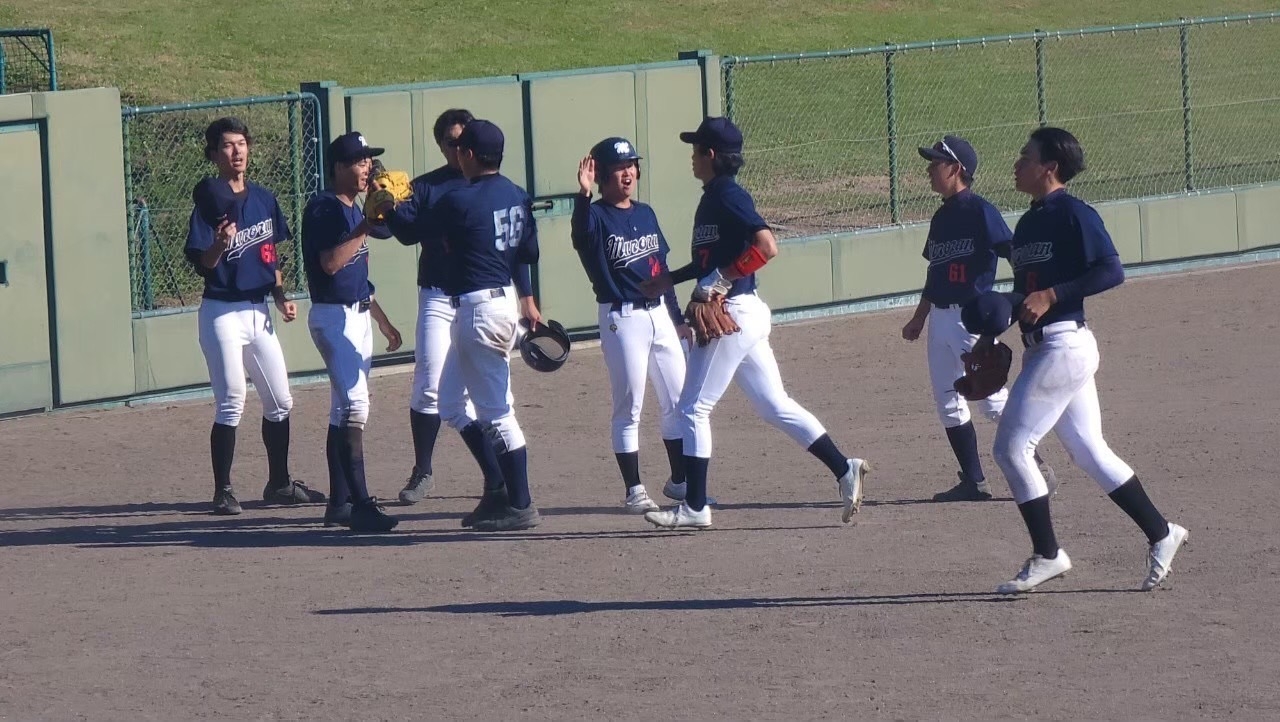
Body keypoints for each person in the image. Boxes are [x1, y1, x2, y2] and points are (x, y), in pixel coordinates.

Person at [979, 126, 1188, 593]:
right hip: (1043, 347)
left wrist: (1054, 294)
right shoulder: (1027, 223)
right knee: (1090, 450)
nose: (1017, 163)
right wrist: (988, 335)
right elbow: (1026, 295)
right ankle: (1162, 532)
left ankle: (1048, 554)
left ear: (1049, 167)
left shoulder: (1075, 214)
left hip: (1064, 346)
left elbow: (1111, 270)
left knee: (1011, 449)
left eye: (1026, 156)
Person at [639, 116, 870, 530]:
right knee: (773, 404)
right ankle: (844, 467)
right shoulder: (714, 197)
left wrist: (721, 278)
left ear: (711, 155)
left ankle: (694, 507)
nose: (692, 157)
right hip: (744, 312)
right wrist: (671, 279)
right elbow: (711, 260)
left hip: (733, 313)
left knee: (693, 409)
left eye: (696, 150)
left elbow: (766, 246)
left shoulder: (728, 195)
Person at [901, 135, 1056, 502]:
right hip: (940, 320)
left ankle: (1037, 468)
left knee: (991, 398)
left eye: (936, 163)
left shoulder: (981, 210)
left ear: (956, 169)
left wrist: (1024, 296)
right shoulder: (941, 216)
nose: (929, 169)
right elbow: (935, 274)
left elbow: (1013, 254)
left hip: (972, 318)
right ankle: (974, 481)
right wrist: (919, 317)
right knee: (947, 400)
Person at [185, 117, 324, 515]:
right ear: (214, 154)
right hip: (221, 313)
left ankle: (279, 483)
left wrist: (280, 295)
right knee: (232, 400)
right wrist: (219, 243)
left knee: (280, 400)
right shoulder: (209, 202)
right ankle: (223, 491)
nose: (237, 151)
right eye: (228, 145)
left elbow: (269, 254)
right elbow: (204, 264)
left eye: (242, 143)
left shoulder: (263, 198)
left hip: (258, 310)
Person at [431, 119, 542, 531]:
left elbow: (413, 232)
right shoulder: (516, 193)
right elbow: (527, 252)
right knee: (450, 403)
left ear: (469, 155)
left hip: (480, 311)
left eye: (460, 148)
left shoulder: (460, 199)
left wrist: (389, 208)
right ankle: (497, 490)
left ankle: (521, 504)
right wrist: (527, 297)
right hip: (498, 302)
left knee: (497, 413)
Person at [571, 136, 692, 513]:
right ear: (602, 175)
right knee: (630, 406)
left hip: (659, 315)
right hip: (621, 319)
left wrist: (677, 318)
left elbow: (661, 269)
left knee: (678, 400)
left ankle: (680, 482)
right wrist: (583, 196)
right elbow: (580, 236)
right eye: (619, 168)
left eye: (631, 166)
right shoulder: (595, 216)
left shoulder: (646, 213)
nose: (628, 174)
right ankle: (634, 489)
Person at [300, 131, 403, 533]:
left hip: (357, 315)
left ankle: (340, 503)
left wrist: (382, 319)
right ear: (339, 167)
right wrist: (365, 225)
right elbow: (329, 264)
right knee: (356, 406)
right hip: (332, 318)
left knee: (342, 410)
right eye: (360, 162)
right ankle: (361, 506)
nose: (367, 168)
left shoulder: (353, 206)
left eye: (368, 161)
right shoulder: (324, 208)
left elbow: (359, 273)